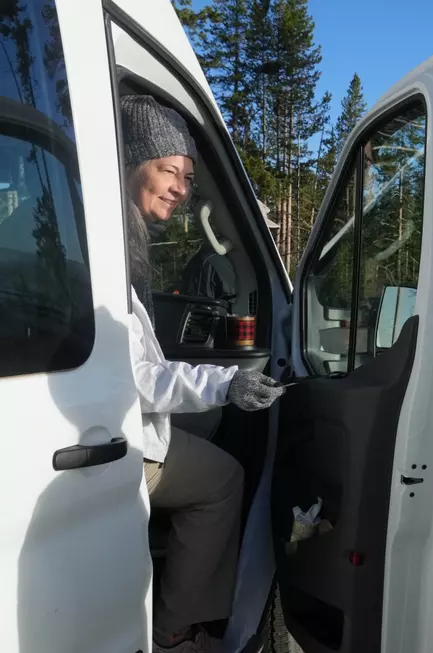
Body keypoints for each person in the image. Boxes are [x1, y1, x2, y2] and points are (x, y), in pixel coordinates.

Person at [120, 94, 284, 653]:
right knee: (223, 481)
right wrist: (225, 383)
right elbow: (139, 377)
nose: (181, 188)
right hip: (116, 440)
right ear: (134, 162)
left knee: (203, 431)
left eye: (187, 177)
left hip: (120, 423)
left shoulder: (125, 239)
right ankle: (175, 632)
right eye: (169, 170)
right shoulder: (116, 246)